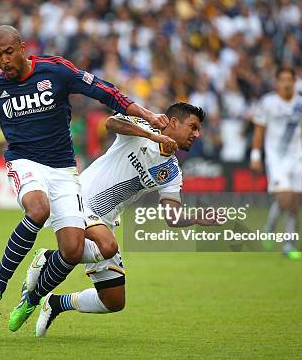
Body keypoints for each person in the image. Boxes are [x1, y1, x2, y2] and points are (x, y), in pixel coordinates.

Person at [0, 25, 168, 331]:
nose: (4, 61)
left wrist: (147, 114)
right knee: (38, 210)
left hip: (64, 169)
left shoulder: (55, 71)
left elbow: (105, 91)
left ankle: (32, 298)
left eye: (9, 52)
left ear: (23, 47)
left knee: (73, 250)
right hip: (24, 162)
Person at [32, 102, 212, 337]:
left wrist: (198, 218)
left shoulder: (172, 171)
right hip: (80, 199)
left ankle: (55, 303)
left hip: (104, 221)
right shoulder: (146, 125)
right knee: (106, 247)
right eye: (193, 127)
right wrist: (152, 136)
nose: (197, 134)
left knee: (113, 301)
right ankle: (50, 258)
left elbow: (172, 217)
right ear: (174, 123)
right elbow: (110, 123)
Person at [250, 67, 302, 259]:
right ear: (277, 82)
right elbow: (259, 130)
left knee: (295, 204)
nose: (287, 83)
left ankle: (288, 245)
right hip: (276, 157)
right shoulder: (268, 102)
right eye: (283, 80)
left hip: (297, 157)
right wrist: (255, 156)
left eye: (290, 79)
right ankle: (269, 227)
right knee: (284, 198)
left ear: (294, 82)